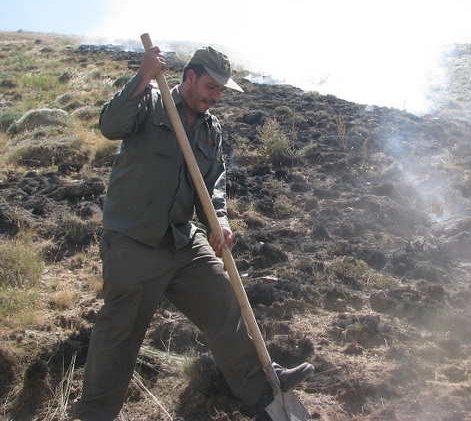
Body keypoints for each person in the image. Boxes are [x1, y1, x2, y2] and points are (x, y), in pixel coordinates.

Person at [72, 45, 314, 420]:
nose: (215, 96)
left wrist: (221, 223)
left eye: (220, 90)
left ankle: (266, 396)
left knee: (225, 303)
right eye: (211, 86)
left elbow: (212, 185)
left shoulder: (210, 129)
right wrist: (141, 76)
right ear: (189, 77)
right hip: (134, 240)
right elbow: (109, 126)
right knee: (119, 334)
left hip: (182, 241)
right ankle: (92, 415)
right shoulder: (149, 102)